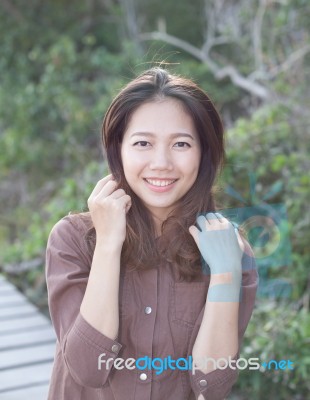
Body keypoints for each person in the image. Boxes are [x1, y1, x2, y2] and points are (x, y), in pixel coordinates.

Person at [45, 67, 258, 400]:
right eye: (143, 142)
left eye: (181, 144)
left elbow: (212, 385)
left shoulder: (229, 250)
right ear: (119, 149)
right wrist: (108, 244)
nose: (161, 162)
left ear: (204, 154)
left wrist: (226, 273)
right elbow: (88, 369)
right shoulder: (72, 239)